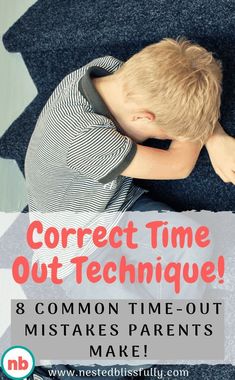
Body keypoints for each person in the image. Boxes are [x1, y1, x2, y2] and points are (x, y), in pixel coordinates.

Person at [25, 38, 233, 291]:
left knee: (193, 245)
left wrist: (214, 134)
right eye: (171, 134)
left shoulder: (111, 70)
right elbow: (179, 165)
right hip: (73, 251)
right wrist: (206, 128)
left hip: (115, 205)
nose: (176, 137)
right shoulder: (86, 138)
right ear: (143, 118)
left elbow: (180, 75)